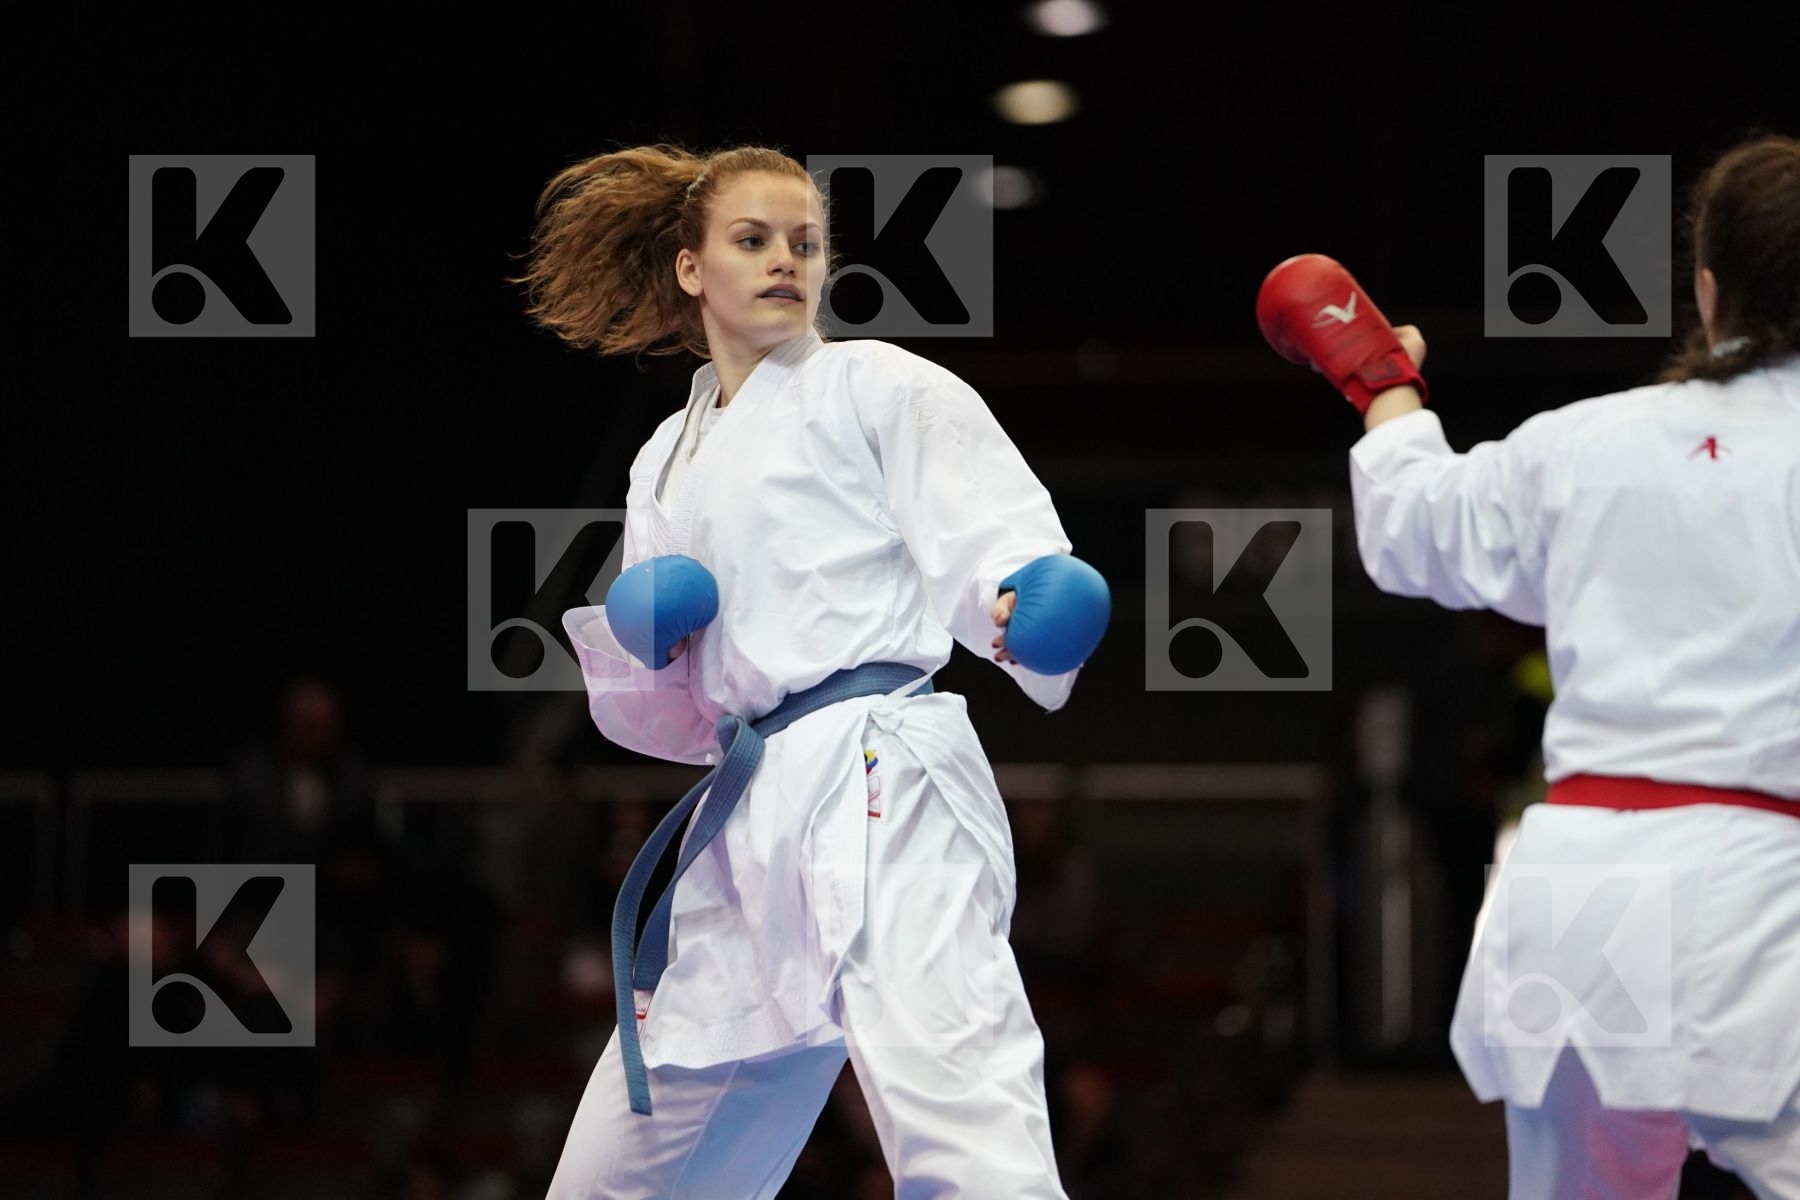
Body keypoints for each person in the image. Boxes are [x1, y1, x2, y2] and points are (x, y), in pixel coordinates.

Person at [508, 143, 1110, 1198]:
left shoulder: (874, 383)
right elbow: (672, 722)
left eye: (805, 241)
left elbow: (991, 542)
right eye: (753, 240)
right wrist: (637, 642)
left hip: (882, 777)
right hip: (745, 812)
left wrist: (1017, 597)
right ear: (693, 268)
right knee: (622, 1174)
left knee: (961, 1129)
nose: (786, 259)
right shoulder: (665, 456)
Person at [1256, 133, 1800, 1198]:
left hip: (1580, 889)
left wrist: (1379, 378)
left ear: (1706, 291)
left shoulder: (1584, 443)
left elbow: (1418, 526)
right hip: (1758, 887)